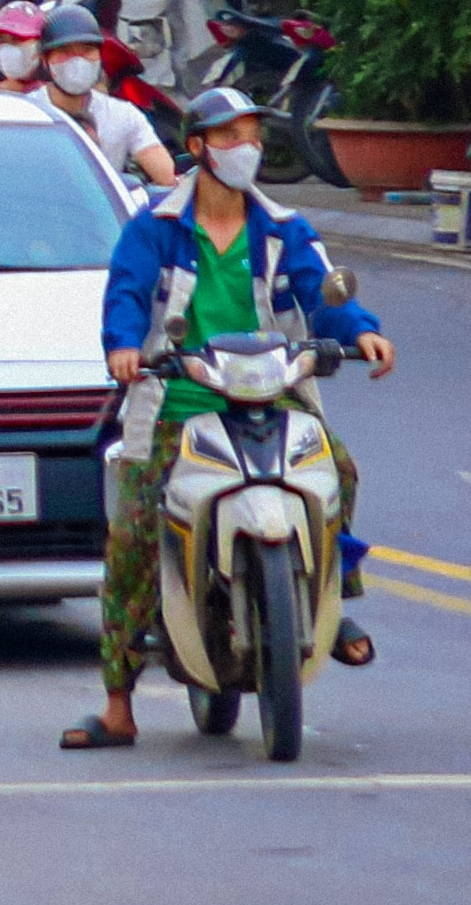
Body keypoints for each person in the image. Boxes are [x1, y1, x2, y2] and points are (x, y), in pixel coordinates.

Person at [63, 86, 394, 748]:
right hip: (176, 407)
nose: (246, 148)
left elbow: (320, 290)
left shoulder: (283, 227)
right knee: (131, 536)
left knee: (340, 470)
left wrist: (359, 332)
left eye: (252, 135)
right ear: (197, 148)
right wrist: (126, 348)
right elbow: (126, 295)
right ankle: (118, 703)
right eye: (230, 136)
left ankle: (337, 594)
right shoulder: (155, 228)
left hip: (271, 394)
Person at [27, 0, 177, 187]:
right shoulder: (26, 113)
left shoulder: (123, 115)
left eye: (87, 50)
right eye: (64, 51)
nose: (77, 60)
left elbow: (166, 177)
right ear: (45, 60)